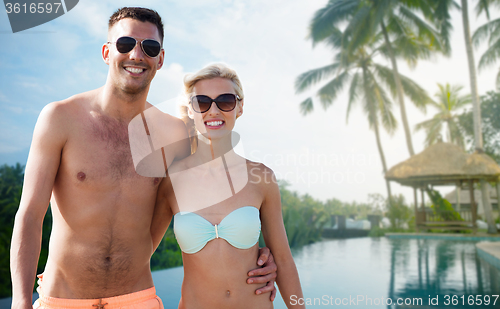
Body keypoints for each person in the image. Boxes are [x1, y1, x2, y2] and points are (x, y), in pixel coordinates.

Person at [10, 7, 277, 309]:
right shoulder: (60, 118)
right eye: (125, 44)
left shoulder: (176, 135)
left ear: (160, 59)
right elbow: (29, 216)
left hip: (138, 299)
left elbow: (214, 201)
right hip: (63, 299)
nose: (137, 55)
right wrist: (20, 301)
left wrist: (259, 255)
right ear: (106, 52)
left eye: (149, 47)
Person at [151, 63, 304, 309]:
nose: (213, 111)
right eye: (202, 102)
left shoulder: (261, 177)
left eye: (225, 101)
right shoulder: (171, 181)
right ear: (191, 109)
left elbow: (284, 260)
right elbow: (141, 253)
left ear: (239, 107)